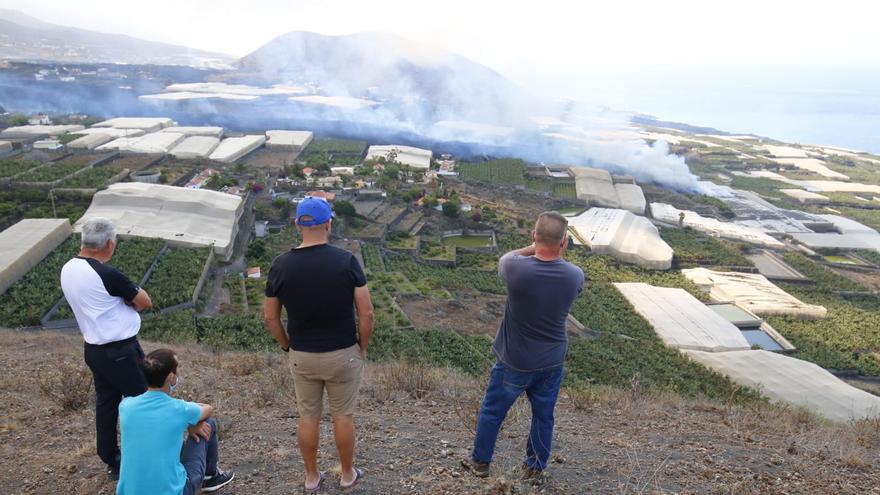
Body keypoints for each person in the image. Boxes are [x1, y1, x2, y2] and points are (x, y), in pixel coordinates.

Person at [263, 195, 375, 491]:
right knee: (343, 416)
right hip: (343, 354)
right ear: (328, 224)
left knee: (308, 417)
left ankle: (312, 477)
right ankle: (347, 474)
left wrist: (287, 345)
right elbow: (367, 313)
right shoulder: (347, 261)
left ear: (297, 224)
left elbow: (271, 318)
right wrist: (361, 346)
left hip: (303, 355)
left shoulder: (280, 266)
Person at [468, 211, 584, 479]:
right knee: (543, 416)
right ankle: (534, 468)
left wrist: (536, 245)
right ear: (564, 241)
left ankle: (481, 463)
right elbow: (566, 278)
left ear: (534, 236)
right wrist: (555, 249)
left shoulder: (514, 268)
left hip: (514, 360)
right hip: (552, 361)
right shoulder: (575, 276)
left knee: (493, 411)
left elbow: (509, 257)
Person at [60, 217, 153, 479]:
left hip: (94, 348)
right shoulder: (107, 274)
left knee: (107, 404)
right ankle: (151, 457)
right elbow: (145, 301)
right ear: (110, 244)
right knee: (146, 402)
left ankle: (112, 459)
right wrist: (126, 300)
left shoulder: (68, 268)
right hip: (120, 351)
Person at [117, 349, 234, 494]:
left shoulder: (126, 406)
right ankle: (210, 477)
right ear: (171, 377)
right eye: (177, 367)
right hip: (175, 491)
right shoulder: (179, 409)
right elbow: (208, 409)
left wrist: (188, 422)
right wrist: (191, 423)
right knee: (208, 422)